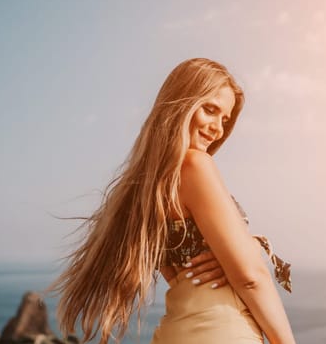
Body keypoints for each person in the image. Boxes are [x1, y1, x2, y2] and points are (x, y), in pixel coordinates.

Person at [43, 58, 295, 344]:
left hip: (175, 330)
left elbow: (181, 270)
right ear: (181, 104)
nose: (218, 129)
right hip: (222, 329)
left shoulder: (144, 189)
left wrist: (244, 246)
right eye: (210, 110)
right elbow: (251, 277)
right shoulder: (196, 165)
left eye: (224, 119)